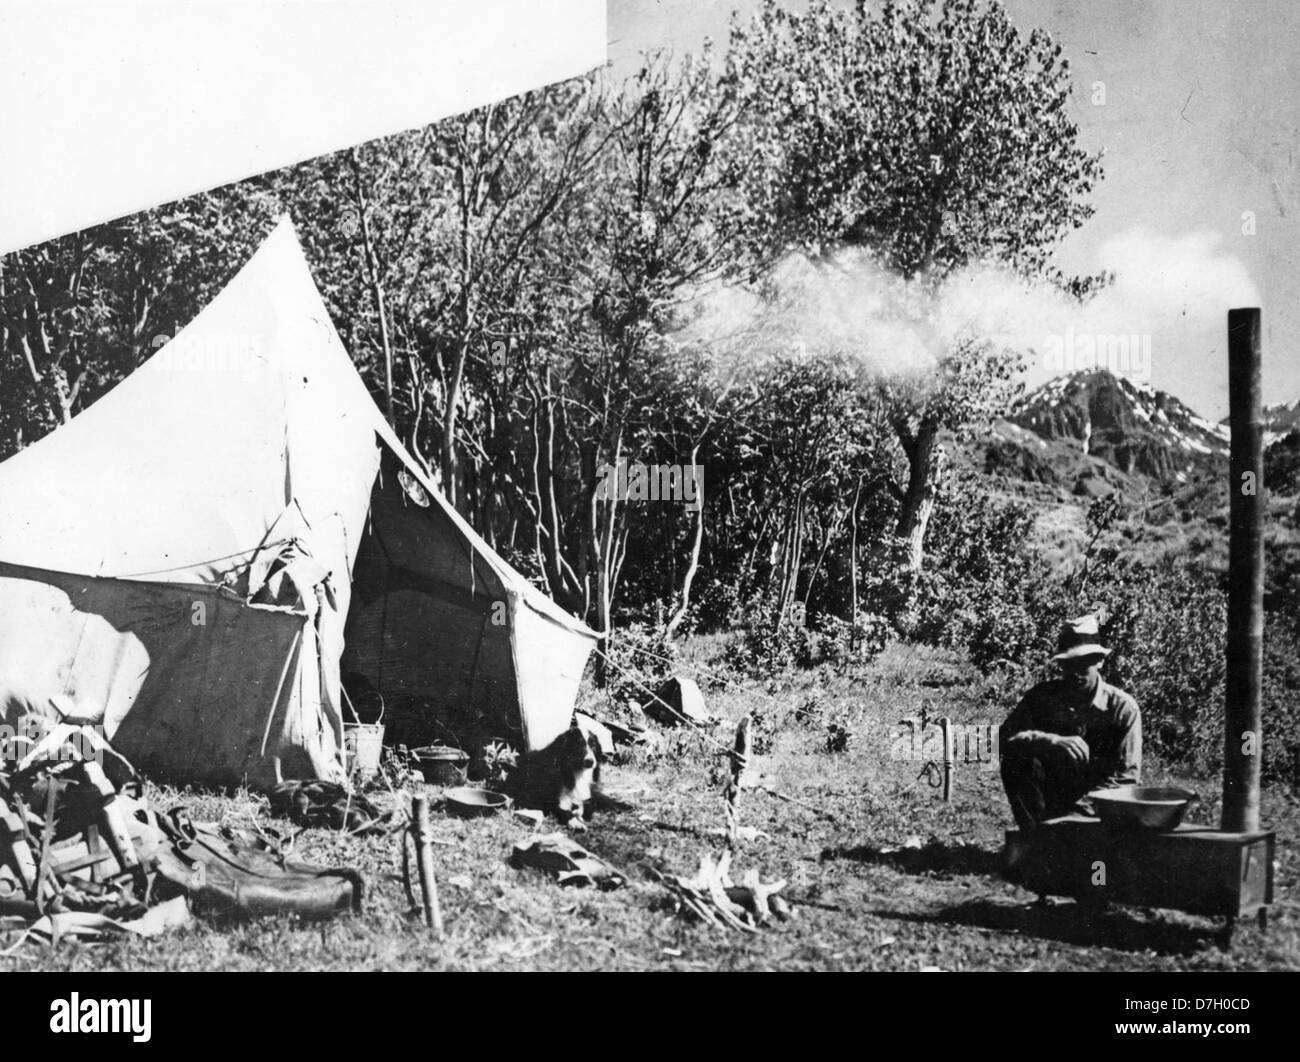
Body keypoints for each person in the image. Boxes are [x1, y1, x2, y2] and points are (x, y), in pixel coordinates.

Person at [999, 615, 1141, 830]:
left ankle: (1059, 839)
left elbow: (1127, 778)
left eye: (1084, 664)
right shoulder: (1042, 697)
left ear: (1099, 661)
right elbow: (1000, 740)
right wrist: (1048, 740)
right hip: (1050, 801)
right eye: (1069, 664)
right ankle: (1037, 841)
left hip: (1099, 810)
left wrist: (1077, 811)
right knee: (1016, 761)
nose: (1075, 672)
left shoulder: (1122, 709)